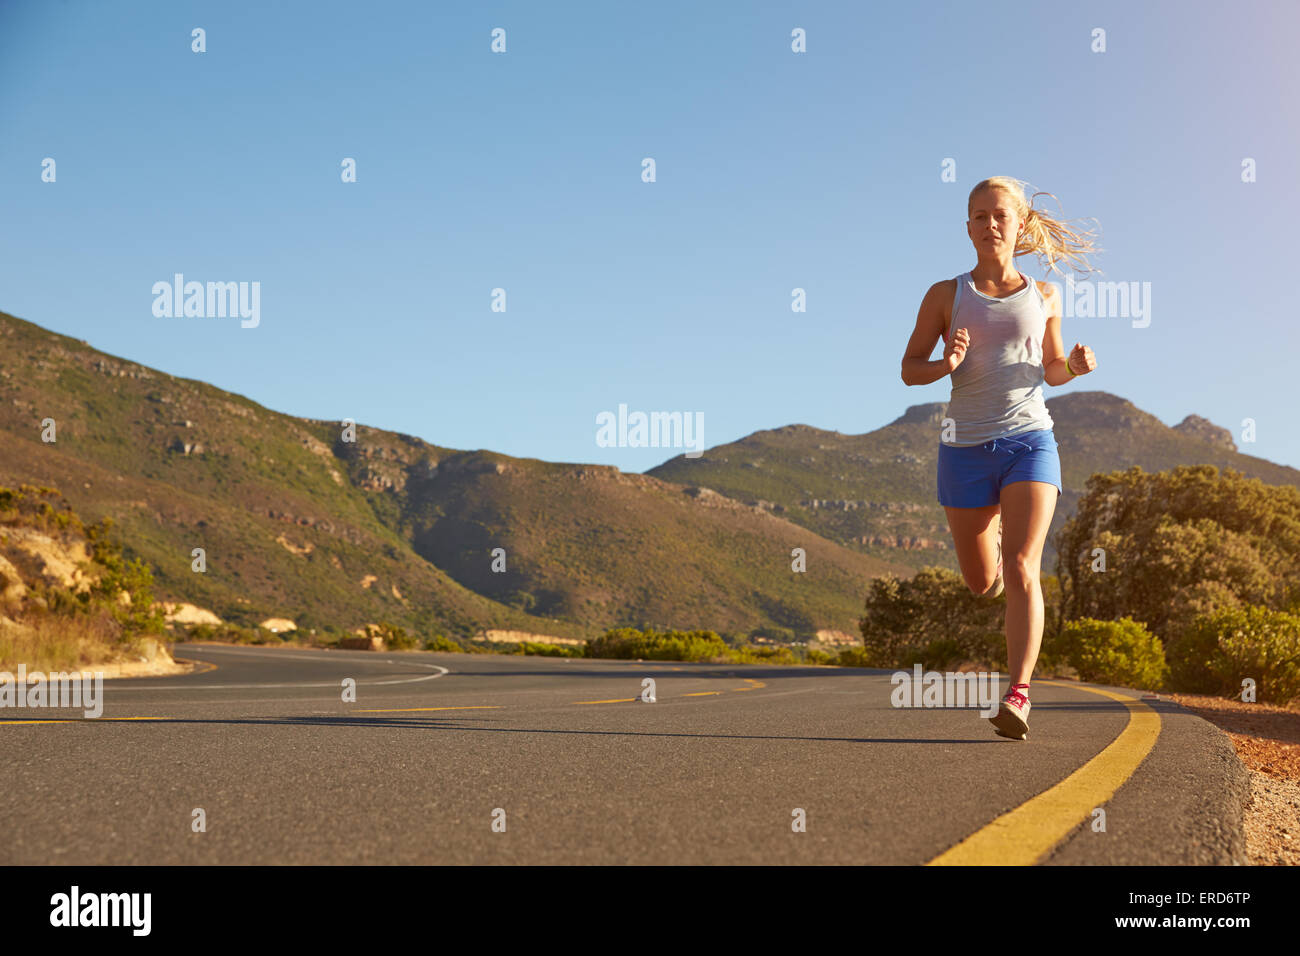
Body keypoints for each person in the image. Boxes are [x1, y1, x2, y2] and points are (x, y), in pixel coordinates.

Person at [900, 175, 1099, 740]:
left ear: (1019, 226)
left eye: (1000, 216)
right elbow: (910, 367)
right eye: (979, 216)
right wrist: (947, 364)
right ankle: (985, 550)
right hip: (963, 449)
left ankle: (1018, 693)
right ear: (967, 228)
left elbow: (1052, 369)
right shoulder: (945, 294)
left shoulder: (1046, 295)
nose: (990, 224)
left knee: (1021, 566)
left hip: (1029, 440)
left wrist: (1075, 368)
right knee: (980, 580)